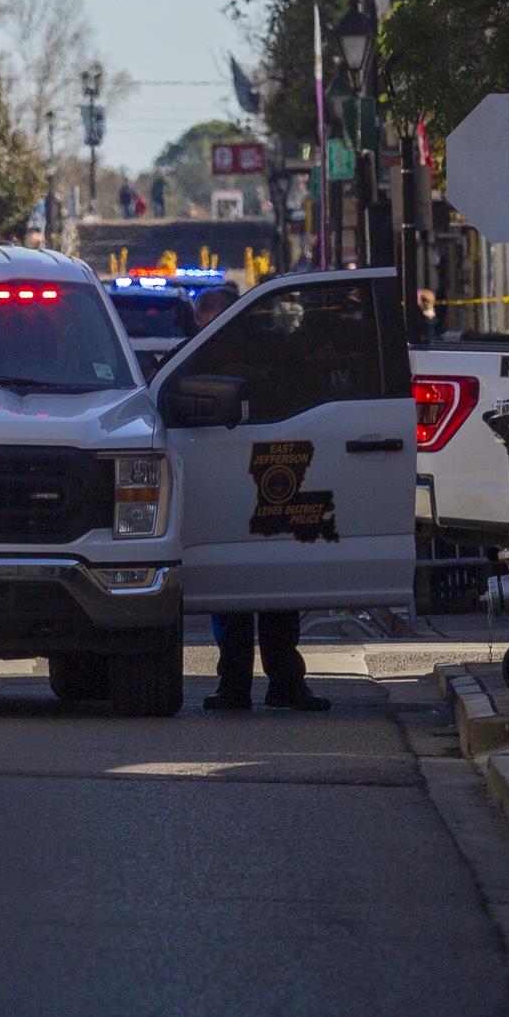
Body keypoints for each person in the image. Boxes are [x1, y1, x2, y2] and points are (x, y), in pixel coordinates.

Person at [190, 278, 327, 712]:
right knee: (230, 592)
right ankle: (234, 685)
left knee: (275, 584)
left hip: (273, 470)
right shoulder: (194, 357)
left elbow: (301, 391)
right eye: (207, 324)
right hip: (222, 480)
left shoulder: (272, 351)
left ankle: (285, 681)